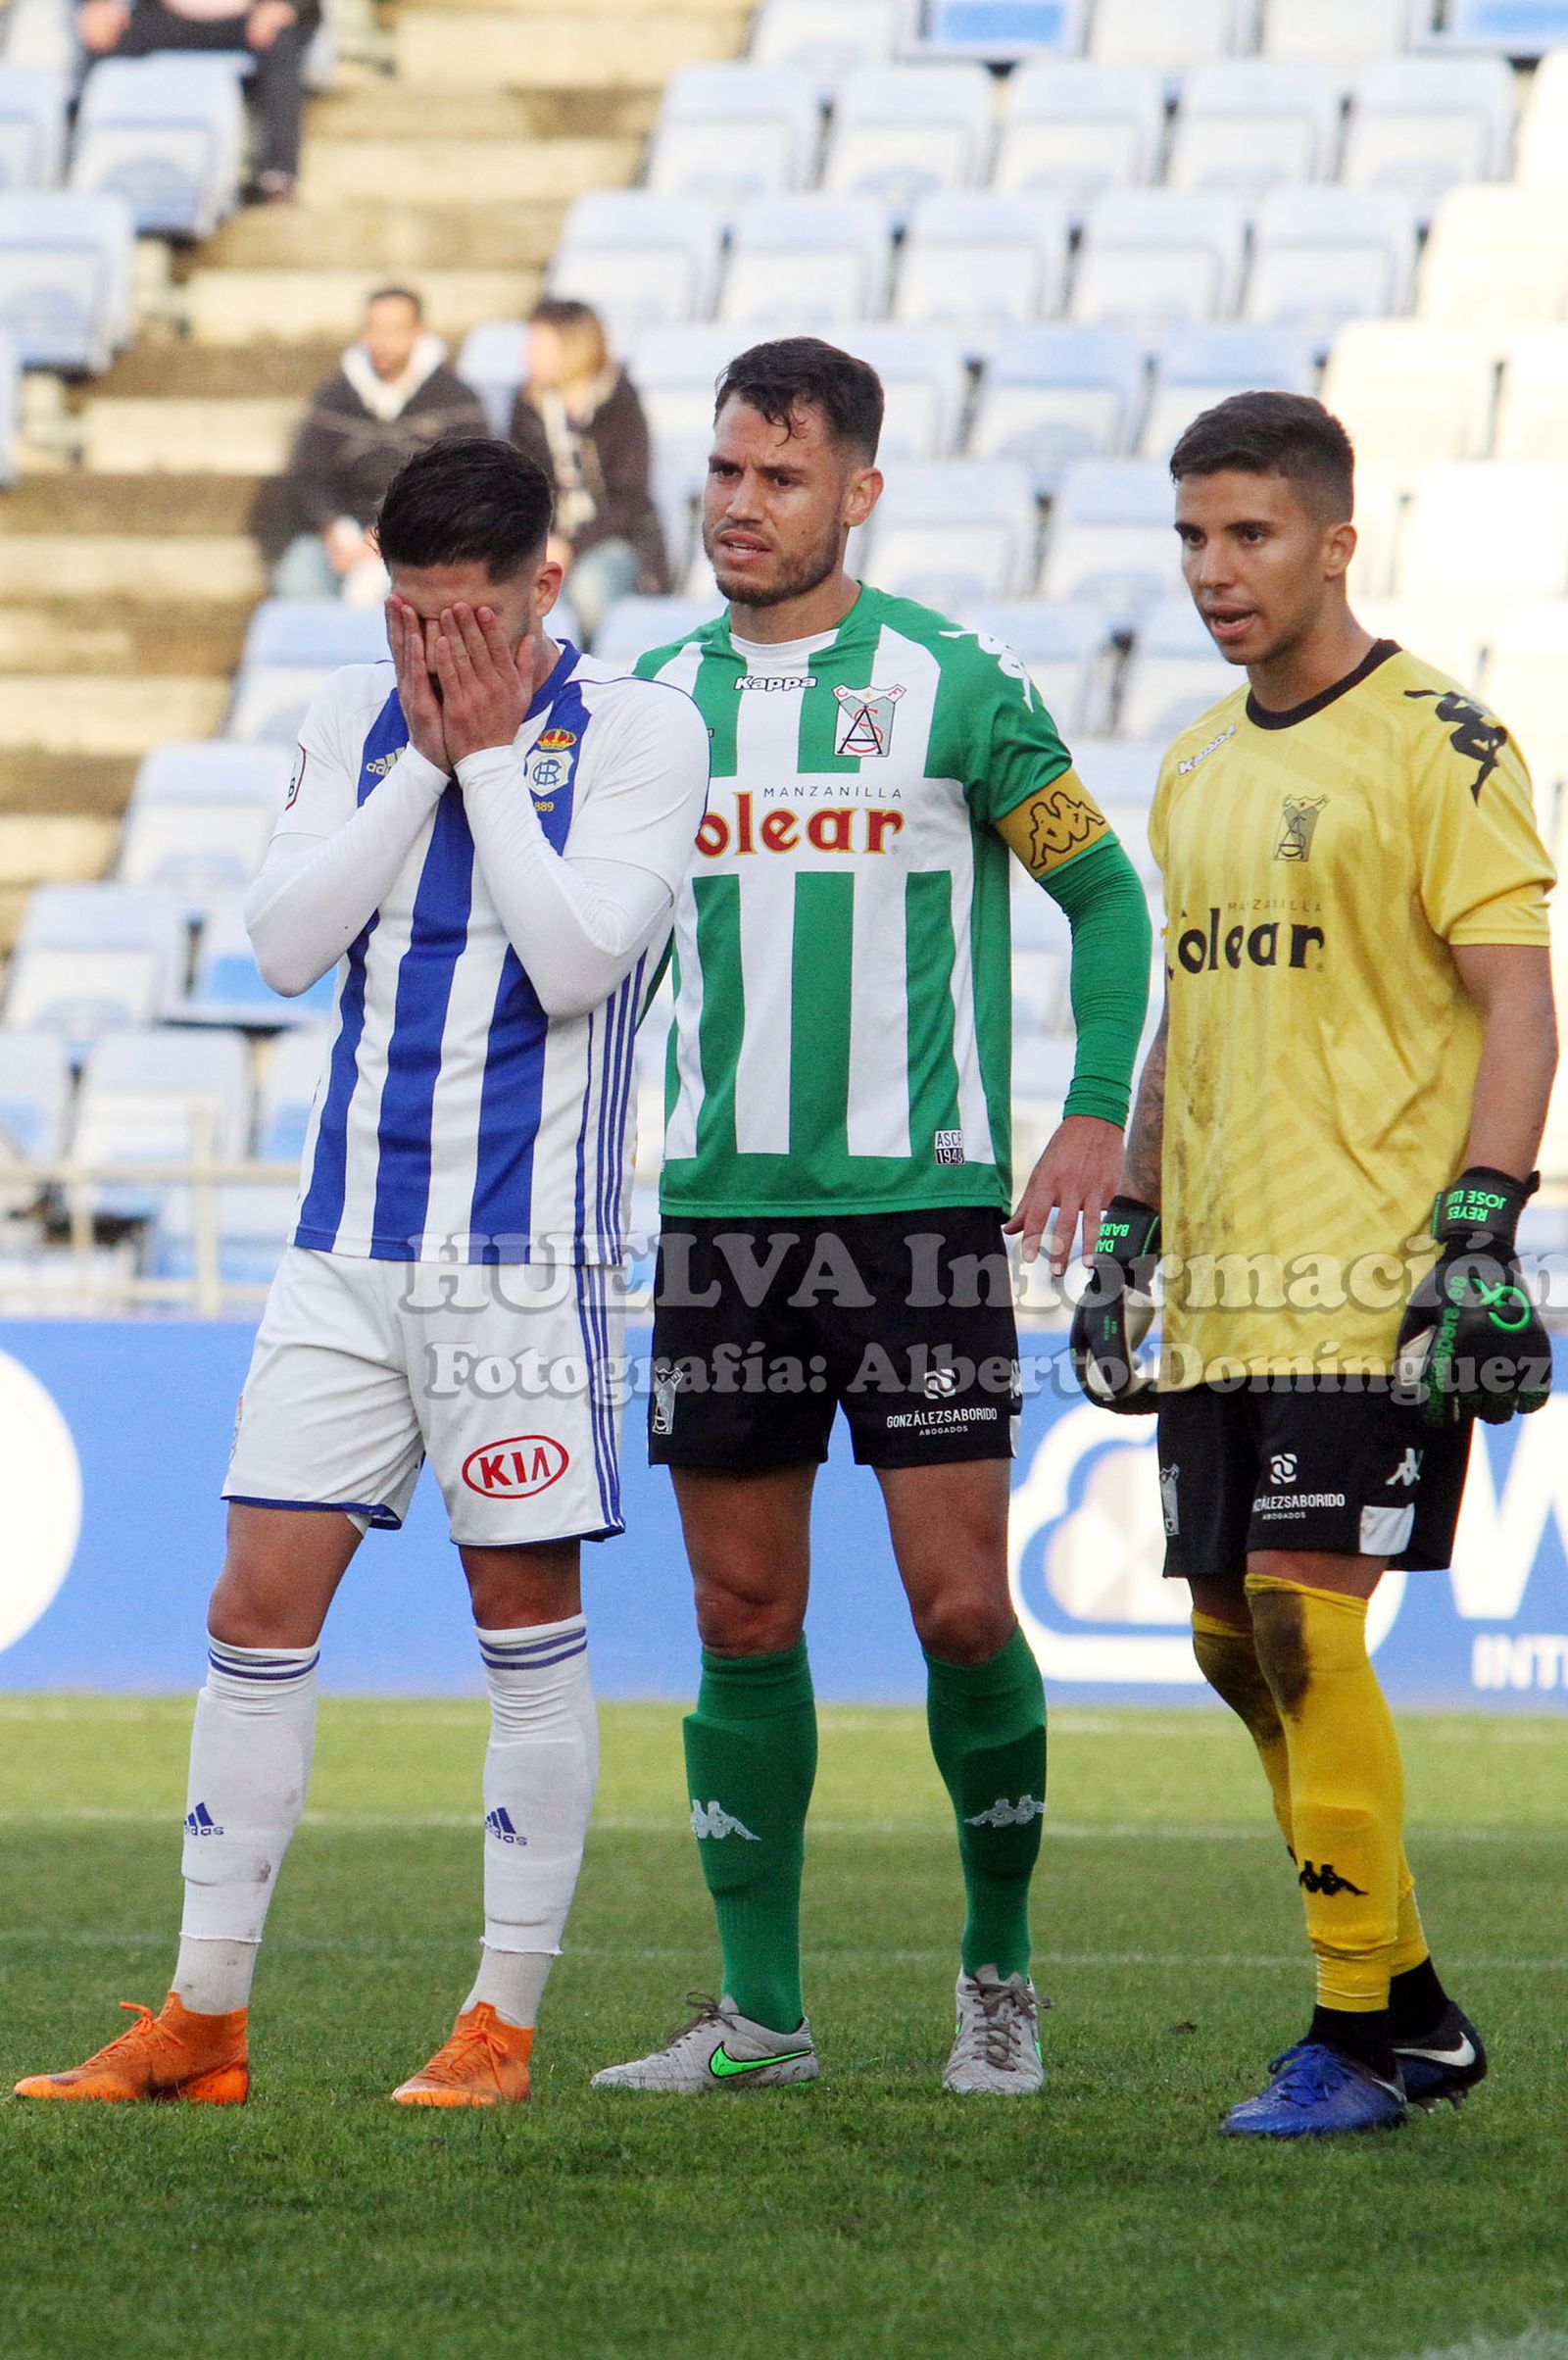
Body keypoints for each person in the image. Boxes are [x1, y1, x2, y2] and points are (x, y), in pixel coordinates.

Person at [15, 439, 710, 2111]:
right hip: (342, 1250)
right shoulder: (351, 716)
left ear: (546, 586)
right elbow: (281, 945)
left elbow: (574, 962)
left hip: (522, 1262)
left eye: (465, 619)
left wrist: (487, 765)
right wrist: (422, 763)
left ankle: (500, 2022)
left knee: (522, 1624)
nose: (433, 648)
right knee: (252, 1614)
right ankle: (204, 2019)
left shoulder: (643, 732)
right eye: (408, 615)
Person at [592, 336, 1152, 2098]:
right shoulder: (650, 706)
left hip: (920, 1220)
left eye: (782, 477)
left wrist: (1091, 1115)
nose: (742, 504)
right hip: (724, 1223)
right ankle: (762, 2014)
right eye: (726, 471)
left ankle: (1000, 1974)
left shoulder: (954, 685)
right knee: (740, 1612)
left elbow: (1108, 900)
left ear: (859, 493)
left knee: (961, 1608)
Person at [1070, 391, 1556, 2139]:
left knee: (1298, 1610)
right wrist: (1133, 1218)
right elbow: (1185, 1009)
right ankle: (1412, 2001)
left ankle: (1352, 2029)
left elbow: (1520, 999)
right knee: (1229, 1639)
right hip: (1224, 1278)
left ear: (1336, 541)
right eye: (1194, 537)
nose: (1216, 569)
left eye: (1252, 534)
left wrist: (1484, 1220)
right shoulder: (1195, 761)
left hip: (1375, 1270)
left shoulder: (1444, 741)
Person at [266, 288, 489, 604]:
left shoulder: (457, 400)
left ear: (420, 333)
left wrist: (397, 535)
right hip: (344, 536)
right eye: (374, 328)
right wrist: (335, 528)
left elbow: (471, 484)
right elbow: (308, 476)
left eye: (395, 330)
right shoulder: (333, 398)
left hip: (427, 541)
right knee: (297, 578)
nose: (382, 341)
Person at [509, 298, 670, 649]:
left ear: (571, 348)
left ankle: (590, 671)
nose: (526, 354)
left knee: (589, 590)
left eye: (537, 344)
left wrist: (570, 545)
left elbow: (629, 500)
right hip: (545, 541)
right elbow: (518, 490)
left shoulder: (620, 403)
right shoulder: (527, 406)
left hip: (615, 539)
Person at [76, 0, 317, 202]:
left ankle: (277, 174)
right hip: (166, 17)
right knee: (104, 36)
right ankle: (80, 162)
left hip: (249, 21)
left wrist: (286, 5)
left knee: (281, 40)